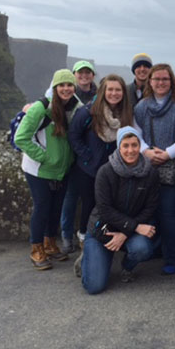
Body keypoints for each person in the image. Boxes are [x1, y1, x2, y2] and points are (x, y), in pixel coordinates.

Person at [14, 69, 81, 270]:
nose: (66, 89)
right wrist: (46, 157)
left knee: (55, 208)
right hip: (39, 169)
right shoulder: (40, 108)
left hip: (61, 170)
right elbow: (21, 137)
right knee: (42, 207)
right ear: (55, 87)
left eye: (69, 85)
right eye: (61, 85)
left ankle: (50, 244)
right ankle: (36, 249)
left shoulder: (76, 108)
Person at [134, 63, 175, 275]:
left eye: (165, 79)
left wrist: (167, 154)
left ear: (172, 81)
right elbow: (136, 134)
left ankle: (173, 257)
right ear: (149, 82)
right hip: (148, 165)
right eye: (156, 79)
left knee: (169, 212)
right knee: (151, 210)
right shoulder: (142, 106)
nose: (161, 83)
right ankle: (158, 249)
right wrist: (147, 152)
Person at [81, 127, 159, 294]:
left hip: (130, 230)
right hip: (103, 229)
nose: (130, 150)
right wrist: (135, 227)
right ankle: (91, 256)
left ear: (140, 146)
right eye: (125, 146)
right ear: (119, 147)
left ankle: (126, 266)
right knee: (94, 287)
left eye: (134, 145)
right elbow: (104, 209)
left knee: (143, 248)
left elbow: (150, 207)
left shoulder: (150, 173)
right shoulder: (105, 172)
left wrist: (125, 233)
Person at [68, 74, 135, 252]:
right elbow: (74, 136)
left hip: (113, 169)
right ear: (103, 91)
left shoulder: (126, 113)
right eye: (110, 89)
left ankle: (105, 237)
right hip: (88, 169)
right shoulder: (88, 112)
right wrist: (88, 155)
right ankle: (84, 236)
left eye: (118, 90)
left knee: (109, 205)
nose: (114, 93)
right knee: (89, 203)